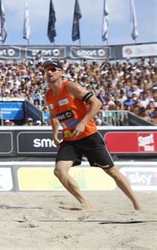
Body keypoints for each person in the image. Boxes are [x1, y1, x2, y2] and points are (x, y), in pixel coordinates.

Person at [43, 60, 141, 210]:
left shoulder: (71, 87)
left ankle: (137, 204)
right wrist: (55, 134)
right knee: (59, 171)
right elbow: (54, 116)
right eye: (46, 70)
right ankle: (85, 203)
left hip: (89, 135)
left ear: (61, 72)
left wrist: (83, 123)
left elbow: (97, 103)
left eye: (53, 69)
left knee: (112, 171)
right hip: (70, 139)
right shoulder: (48, 95)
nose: (49, 72)